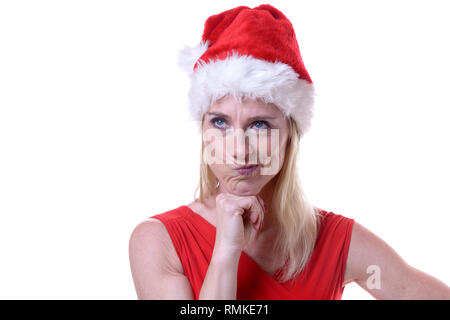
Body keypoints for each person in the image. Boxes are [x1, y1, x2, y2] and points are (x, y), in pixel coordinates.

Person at [128, 4, 450, 300]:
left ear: (289, 135)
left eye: (260, 125)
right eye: (220, 122)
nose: (239, 151)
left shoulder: (335, 243)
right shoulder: (158, 243)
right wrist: (226, 252)